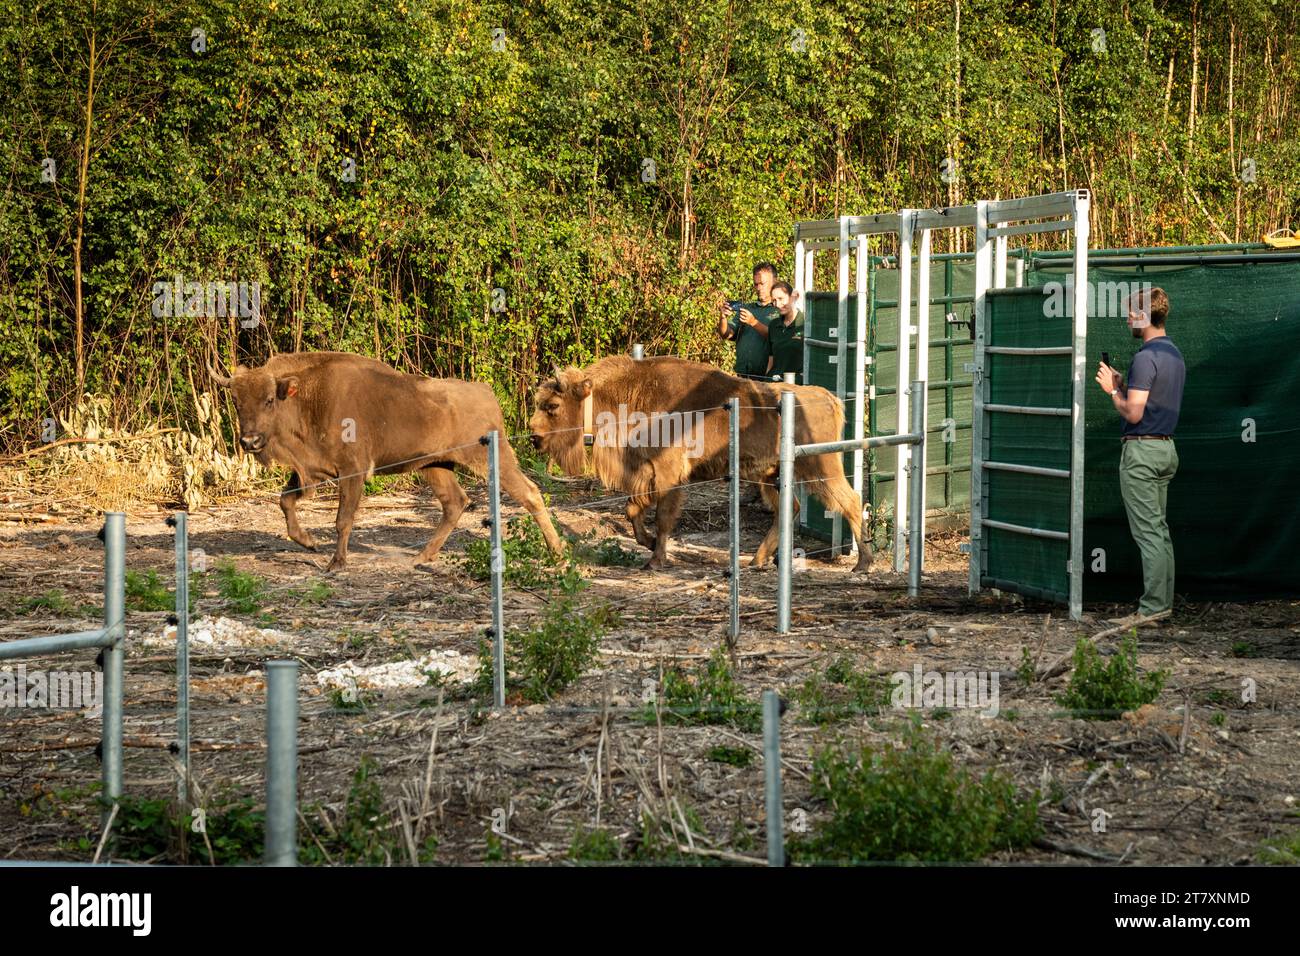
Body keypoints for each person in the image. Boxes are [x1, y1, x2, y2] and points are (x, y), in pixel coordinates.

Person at [1094, 286, 1185, 625]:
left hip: (1142, 452)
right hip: (1166, 449)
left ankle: (1152, 608)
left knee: (1148, 533)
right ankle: (1162, 603)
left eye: (1132, 312)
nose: (1128, 318)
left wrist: (1112, 391)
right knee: (1158, 531)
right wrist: (1123, 382)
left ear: (1146, 316)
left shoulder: (1145, 357)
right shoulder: (1173, 354)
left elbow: (1133, 413)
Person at [717, 263, 781, 380]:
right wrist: (723, 317)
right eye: (756, 284)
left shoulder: (780, 310)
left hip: (768, 379)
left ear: (775, 282)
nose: (759, 288)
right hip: (742, 377)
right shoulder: (747, 308)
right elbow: (726, 334)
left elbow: (778, 336)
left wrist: (753, 322)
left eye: (762, 283)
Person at [766, 281, 804, 383]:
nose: (777, 304)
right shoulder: (773, 325)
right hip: (774, 385)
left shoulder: (806, 324)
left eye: (781, 299)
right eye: (774, 300)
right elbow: (771, 358)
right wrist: (766, 379)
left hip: (797, 386)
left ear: (792, 297)